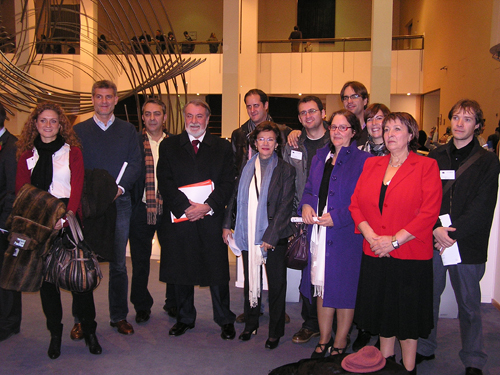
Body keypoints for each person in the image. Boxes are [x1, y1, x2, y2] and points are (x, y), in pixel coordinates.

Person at [349, 112, 442, 374]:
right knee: (382, 315)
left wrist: (394, 242)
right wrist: (370, 236)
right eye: (387, 129)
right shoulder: (372, 165)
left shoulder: (426, 166)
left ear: (411, 135)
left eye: (397, 129)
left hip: (409, 256)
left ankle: (408, 368)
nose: (389, 134)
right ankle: (386, 365)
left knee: (407, 318)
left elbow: (428, 213)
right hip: (375, 252)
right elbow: (355, 205)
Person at [416, 100, 500, 375]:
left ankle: (474, 358)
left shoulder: (488, 161)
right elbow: (426, 197)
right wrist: (435, 230)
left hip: (467, 243)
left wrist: (451, 234)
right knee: (429, 297)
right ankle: (426, 346)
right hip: (435, 239)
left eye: (467, 118)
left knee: (470, 305)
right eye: (456, 117)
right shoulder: (435, 156)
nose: (460, 123)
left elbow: (483, 206)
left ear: (478, 125)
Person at [15, 102, 102, 358]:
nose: (49, 125)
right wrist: (40, 221)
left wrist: (66, 218)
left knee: (80, 280)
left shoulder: (72, 152)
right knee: (47, 283)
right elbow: (22, 191)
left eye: (54, 121)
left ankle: (90, 331)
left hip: (67, 219)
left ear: (61, 124)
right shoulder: (26, 155)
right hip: (38, 222)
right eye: (43, 120)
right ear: (35, 124)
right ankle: (55, 334)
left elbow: (77, 187)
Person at [157, 99, 236, 340]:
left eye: (199, 116)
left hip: (210, 218)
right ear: (183, 118)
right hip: (181, 218)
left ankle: (224, 319)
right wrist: (184, 208)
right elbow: (165, 181)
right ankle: (184, 318)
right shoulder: (169, 145)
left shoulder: (222, 147)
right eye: (189, 116)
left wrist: (207, 207)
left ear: (208, 119)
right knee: (181, 269)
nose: (194, 121)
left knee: (217, 271)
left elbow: (227, 182)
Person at [299, 109, 371, 358]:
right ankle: (324, 338)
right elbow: (309, 188)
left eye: (343, 128)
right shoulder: (320, 157)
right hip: (319, 233)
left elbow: (365, 201)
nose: (338, 132)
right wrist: (307, 203)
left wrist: (339, 217)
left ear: (353, 132)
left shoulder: (363, 161)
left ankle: (340, 342)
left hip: (345, 235)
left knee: (344, 290)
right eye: (334, 127)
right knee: (321, 286)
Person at [74, 80, 142, 336]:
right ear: (93, 99)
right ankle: (82, 319)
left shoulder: (128, 131)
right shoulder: (79, 131)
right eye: (99, 96)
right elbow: (74, 167)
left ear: (115, 100)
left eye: (109, 97)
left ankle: (119, 316)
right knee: (82, 263)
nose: (104, 101)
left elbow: (136, 163)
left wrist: (119, 189)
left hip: (119, 203)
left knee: (118, 264)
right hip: (88, 206)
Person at [223, 121, 295, 349]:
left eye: (270, 139)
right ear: (254, 142)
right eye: (261, 139)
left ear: (276, 144)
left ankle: (275, 331)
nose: (265, 143)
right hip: (247, 232)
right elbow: (234, 198)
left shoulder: (285, 170)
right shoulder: (246, 167)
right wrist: (227, 224)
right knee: (250, 280)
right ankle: (250, 324)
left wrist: (270, 237)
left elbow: (285, 206)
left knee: (276, 285)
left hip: (274, 237)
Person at [230, 89, 292, 324]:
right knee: (248, 272)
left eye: (257, 105)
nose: (253, 110)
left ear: (266, 106)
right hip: (248, 209)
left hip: (273, 209)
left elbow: (287, 175)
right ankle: (252, 308)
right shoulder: (238, 134)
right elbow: (235, 173)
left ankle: (276, 313)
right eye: (249, 106)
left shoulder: (284, 132)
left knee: (276, 275)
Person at [283, 96, 329, 345]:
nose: (308, 116)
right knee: (308, 274)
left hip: (332, 217)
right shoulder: (293, 144)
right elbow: (288, 182)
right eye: (303, 113)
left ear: (323, 112)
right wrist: (293, 218)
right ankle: (311, 323)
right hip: (303, 217)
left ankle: (336, 325)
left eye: (312, 111)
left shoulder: (337, 139)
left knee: (333, 272)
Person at [129, 99, 170, 324]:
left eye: (157, 114)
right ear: (142, 118)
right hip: (140, 210)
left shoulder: (174, 142)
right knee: (140, 262)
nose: (152, 118)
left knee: (173, 259)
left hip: (169, 211)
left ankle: (172, 302)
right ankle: (141, 305)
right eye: (148, 114)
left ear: (164, 117)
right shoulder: (133, 142)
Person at [0, 102, 20, 343]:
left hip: (3, 221)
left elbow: (14, 190)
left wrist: (5, 222)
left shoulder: (12, 146)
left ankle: (9, 323)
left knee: (6, 276)